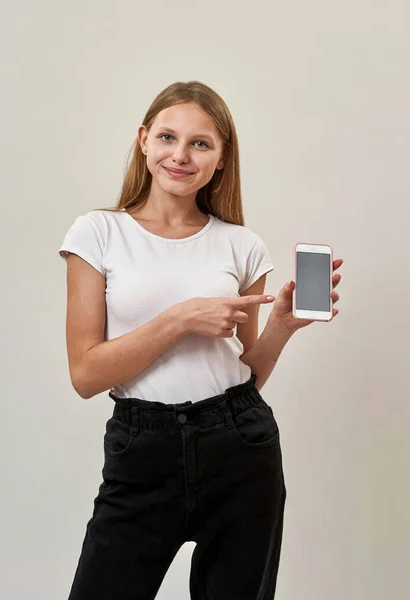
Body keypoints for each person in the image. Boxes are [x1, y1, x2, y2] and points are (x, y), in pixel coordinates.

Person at [58, 81, 343, 600]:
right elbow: (86, 374)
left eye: (201, 144)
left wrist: (280, 325)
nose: (181, 155)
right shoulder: (96, 233)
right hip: (141, 448)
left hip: (239, 443)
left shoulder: (241, 245)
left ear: (220, 157)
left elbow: (248, 376)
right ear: (144, 140)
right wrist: (181, 319)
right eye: (168, 137)